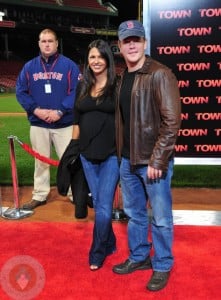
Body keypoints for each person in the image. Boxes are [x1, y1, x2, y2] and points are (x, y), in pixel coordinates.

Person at [112, 20, 181, 292]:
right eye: (126, 40)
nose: (131, 44)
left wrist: (158, 159)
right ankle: (140, 256)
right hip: (128, 161)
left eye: (136, 40)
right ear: (119, 46)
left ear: (144, 43)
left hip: (152, 163)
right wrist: (121, 159)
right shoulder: (122, 78)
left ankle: (162, 264)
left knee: (161, 217)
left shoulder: (160, 74)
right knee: (135, 214)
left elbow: (172, 121)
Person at [16, 28, 80, 210]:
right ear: (38, 43)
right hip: (39, 123)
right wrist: (36, 110)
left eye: (50, 41)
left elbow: (77, 90)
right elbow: (21, 91)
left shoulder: (69, 65)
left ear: (57, 43)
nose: (46, 44)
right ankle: (40, 194)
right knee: (41, 160)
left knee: (70, 161)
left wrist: (60, 111)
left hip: (65, 122)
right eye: (43, 41)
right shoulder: (29, 67)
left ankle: (74, 193)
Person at [71, 39, 119, 270]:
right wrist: (74, 148)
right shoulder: (82, 86)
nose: (96, 61)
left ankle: (97, 251)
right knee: (100, 202)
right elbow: (76, 118)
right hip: (86, 155)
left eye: (100, 56)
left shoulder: (117, 85)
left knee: (103, 206)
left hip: (111, 155)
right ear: (87, 61)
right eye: (92, 57)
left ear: (107, 59)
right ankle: (109, 242)